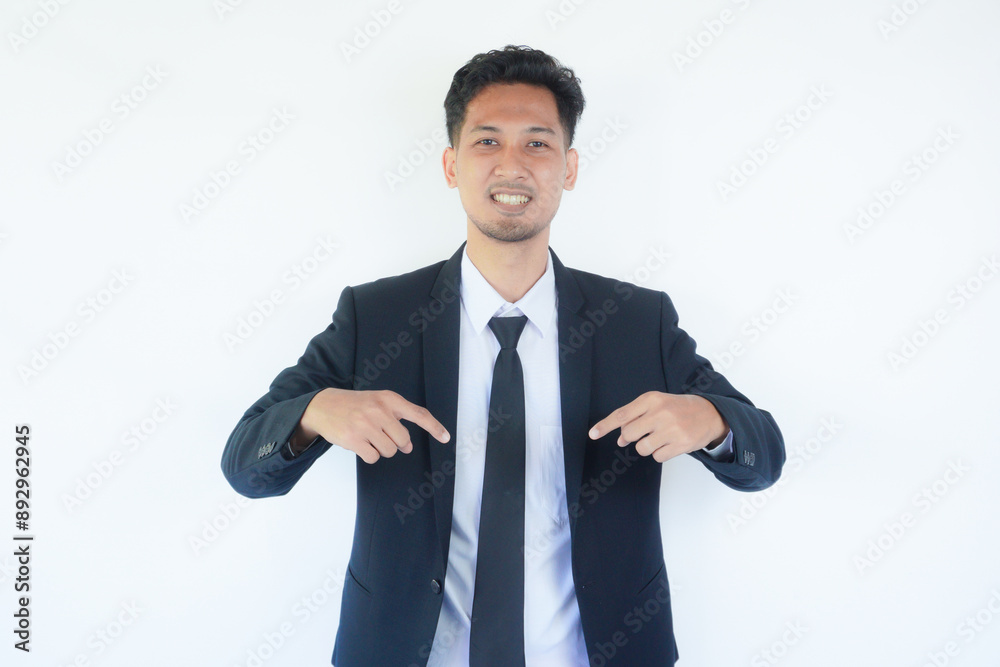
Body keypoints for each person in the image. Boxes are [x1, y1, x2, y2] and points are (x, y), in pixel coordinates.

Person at [221, 44, 785, 667]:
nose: (512, 165)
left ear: (568, 168)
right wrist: (315, 413)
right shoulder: (375, 317)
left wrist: (713, 422)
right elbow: (246, 467)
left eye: (537, 144)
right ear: (451, 164)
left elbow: (763, 458)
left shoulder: (635, 321)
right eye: (487, 142)